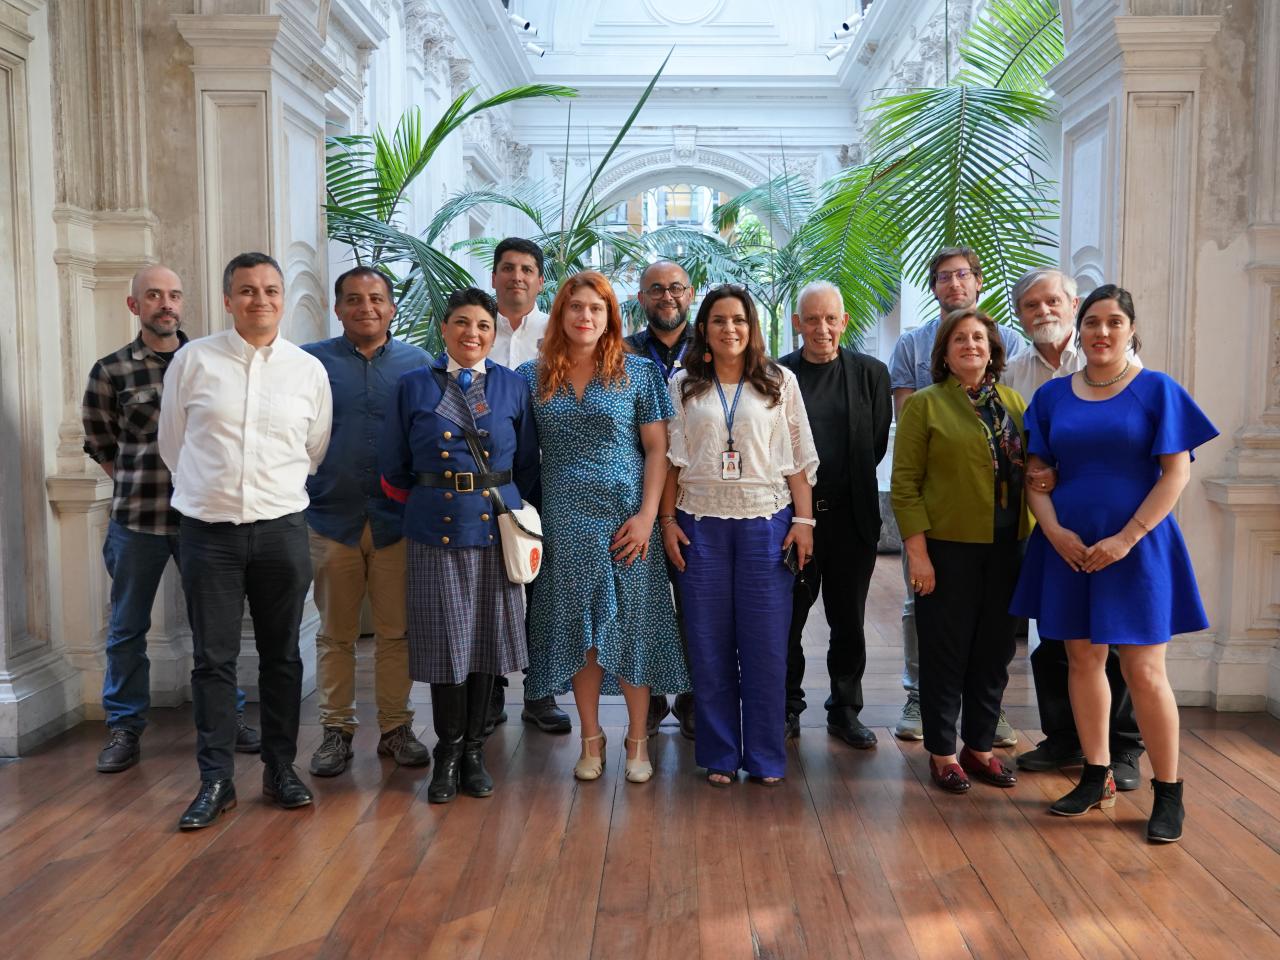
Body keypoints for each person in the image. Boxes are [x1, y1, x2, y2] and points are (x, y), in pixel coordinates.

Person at [1011, 285, 1217, 842]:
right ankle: (1096, 774)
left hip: (1138, 548)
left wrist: (1127, 538)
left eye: (1114, 321)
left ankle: (1168, 792)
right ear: (1080, 331)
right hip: (1069, 549)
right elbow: (1037, 475)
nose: (1102, 332)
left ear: (1131, 330)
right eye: (1093, 322)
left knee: (1145, 671)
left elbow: (1176, 474)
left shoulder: (1157, 390)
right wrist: (1053, 532)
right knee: (1082, 659)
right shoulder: (1053, 398)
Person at [159, 252, 332, 830]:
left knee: (283, 656)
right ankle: (215, 781)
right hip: (208, 533)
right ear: (228, 299)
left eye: (271, 290)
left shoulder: (307, 371)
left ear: (283, 299)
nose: (261, 300)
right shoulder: (193, 361)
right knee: (213, 660)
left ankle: (281, 769)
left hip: (282, 530)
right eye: (248, 290)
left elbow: (313, 449)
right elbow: (173, 444)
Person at [82, 264, 259, 773]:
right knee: (127, 627)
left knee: (215, 627)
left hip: (204, 520)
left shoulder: (209, 363)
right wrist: (142, 479)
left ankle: (228, 718)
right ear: (135, 305)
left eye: (175, 295)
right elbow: (100, 442)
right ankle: (124, 727)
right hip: (138, 520)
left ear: (184, 304)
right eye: (154, 295)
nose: (166, 304)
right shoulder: (111, 370)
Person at [516, 271, 690, 784]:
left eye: (595, 308)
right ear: (560, 315)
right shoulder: (533, 375)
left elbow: (658, 451)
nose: (585, 317)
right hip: (564, 520)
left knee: (632, 627)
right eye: (575, 308)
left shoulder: (637, 373)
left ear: (610, 316)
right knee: (579, 634)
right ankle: (591, 738)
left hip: (626, 518)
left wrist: (647, 517)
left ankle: (638, 739)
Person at [380, 288, 540, 803]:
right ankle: (446, 752)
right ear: (443, 327)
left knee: (486, 643)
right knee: (444, 644)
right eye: (462, 323)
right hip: (435, 529)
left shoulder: (514, 387)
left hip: (495, 528)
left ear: (494, 334)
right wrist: (434, 496)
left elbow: (529, 464)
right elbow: (393, 467)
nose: (473, 334)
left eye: (483, 326)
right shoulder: (413, 386)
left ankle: (475, 751)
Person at [660, 285, 817, 785]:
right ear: (703, 328)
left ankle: (767, 757)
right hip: (697, 522)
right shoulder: (683, 383)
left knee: (766, 645)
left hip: (766, 520)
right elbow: (669, 462)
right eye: (719, 320)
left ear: (753, 329)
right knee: (707, 644)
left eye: (740, 320)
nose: (730, 329)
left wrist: (804, 521)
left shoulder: (779, 381)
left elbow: (799, 457)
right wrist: (666, 523)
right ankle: (721, 754)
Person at [1003, 268, 1145, 790]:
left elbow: (1132, 439)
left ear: (1074, 304)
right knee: (1057, 638)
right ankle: (1065, 737)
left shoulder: (1110, 360)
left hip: (1110, 525)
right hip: (1050, 525)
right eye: (1031, 306)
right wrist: (1035, 470)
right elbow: (1013, 447)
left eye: (1053, 302)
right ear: (1020, 316)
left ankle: (1124, 750)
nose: (1043, 312)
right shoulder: (1013, 373)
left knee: (1115, 635)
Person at [888, 247, 1028, 746]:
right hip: (946, 539)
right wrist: (919, 551)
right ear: (942, 355)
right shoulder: (926, 400)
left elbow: (1028, 464)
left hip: (1006, 542)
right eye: (959, 340)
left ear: (994, 350)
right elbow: (905, 479)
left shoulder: (1012, 400)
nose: (970, 345)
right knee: (942, 643)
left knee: (994, 646)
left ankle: (983, 739)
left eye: (978, 339)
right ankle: (942, 745)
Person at [301, 267, 431, 778]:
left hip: (398, 520)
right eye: (353, 299)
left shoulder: (418, 364)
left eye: (376, 298)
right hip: (330, 515)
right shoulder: (311, 363)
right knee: (335, 634)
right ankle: (336, 731)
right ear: (338, 309)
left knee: (396, 633)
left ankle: (397, 728)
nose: (366, 308)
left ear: (392, 307)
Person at [778, 281, 891, 748]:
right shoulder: (778, 374)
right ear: (796, 323)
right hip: (791, 521)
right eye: (812, 319)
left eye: (831, 319)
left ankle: (845, 709)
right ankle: (785, 706)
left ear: (844, 322)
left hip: (851, 520)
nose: (821, 328)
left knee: (849, 620)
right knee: (788, 618)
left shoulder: (871, 374)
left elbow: (877, 442)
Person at [488, 237, 570, 735]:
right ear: (494, 276)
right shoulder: (475, 327)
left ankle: (541, 692)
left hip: (549, 480)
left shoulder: (558, 332)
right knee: (492, 584)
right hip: (490, 482)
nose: (517, 277)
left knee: (544, 590)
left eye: (527, 270)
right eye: (508, 268)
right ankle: (491, 688)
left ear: (540, 281)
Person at [623, 259, 697, 740]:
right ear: (641, 298)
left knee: (696, 605)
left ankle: (693, 699)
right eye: (656, 289)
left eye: (676, 288)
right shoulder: (622, 352)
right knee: (643, 607)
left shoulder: (714, 348)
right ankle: (647, 702)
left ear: (691, 294)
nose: (666, 297)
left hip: (700, 499)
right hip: (638, 498)